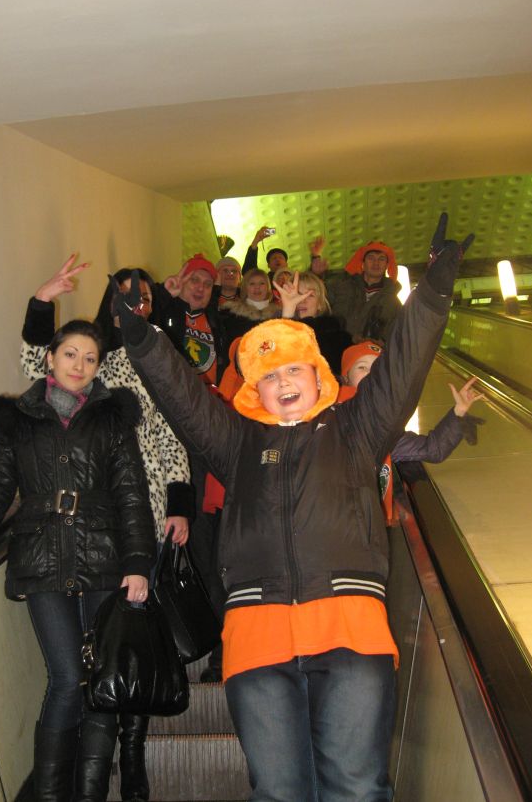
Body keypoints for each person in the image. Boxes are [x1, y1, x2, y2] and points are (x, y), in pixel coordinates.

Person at [113, 214, 472, 801]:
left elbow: (403, 367)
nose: (283, 383)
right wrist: (140, 334)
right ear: (253, 388)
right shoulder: (237, 441)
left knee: (356, 787)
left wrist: (432, 290)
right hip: (257, 637)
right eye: (269, 375)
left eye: (293, 370)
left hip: (350, 628)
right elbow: (183, 397)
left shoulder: (357, 427)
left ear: (318, 374)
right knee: (279, 792)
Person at [0, 319, 156, 802]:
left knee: (98, 680)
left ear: (98, 368)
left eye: (90, 358)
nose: (79, 365)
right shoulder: (19, 419)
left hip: (102, 556)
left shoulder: (111, 419)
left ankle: (91, 793)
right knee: (67, 678)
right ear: (50, 358)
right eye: (70, 354)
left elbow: (132, 495)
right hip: (41, 558)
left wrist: (138, 562)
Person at [20, 259, 195, 802]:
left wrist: (180, 503)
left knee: (132, 642)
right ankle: (93, 772)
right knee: (91, 657)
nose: (131, 306)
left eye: (140, 298)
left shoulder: (161, 359)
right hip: (97, 523)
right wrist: (41, 303)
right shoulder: (95, 359)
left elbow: (172, 436)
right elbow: (35, 363)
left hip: (147, 518)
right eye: (121, 297)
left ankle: (133, 753)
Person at [338, 341, 484, 522]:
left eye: (378, 369)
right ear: (345, 377)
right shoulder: (329, 414)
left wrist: (458, 411)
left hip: (361, 520)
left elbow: (433, 449)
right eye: (362, 367)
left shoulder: (384, 425)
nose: (371, 374)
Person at [156, 253, 228, 385]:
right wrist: (163, 293)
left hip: (208, 395)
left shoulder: (217, 323)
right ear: (182, 282)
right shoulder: (162, 311)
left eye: (208, 284)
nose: (201, 288)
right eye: (194, 280)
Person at [323, 240, 403, 343]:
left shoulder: (393, 304)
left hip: (371, 352)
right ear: (363, 263)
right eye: (371, 258)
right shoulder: (340, 287)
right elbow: (318, 303)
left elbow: (399, 336)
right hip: (336, 348)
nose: (376, 263)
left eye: (381, 259)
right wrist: (317, 274)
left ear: (387, 265)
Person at [274, 271, 352, 376]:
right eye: (298, 295)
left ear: (320, 304)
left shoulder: (337, 339)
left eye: (310, 295)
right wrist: (288, 313)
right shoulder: (271, 332)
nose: (302, 300)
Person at [219, 268, 279, 344]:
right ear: (245, 288)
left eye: (262, 283)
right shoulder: (230, 314)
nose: (257, 287)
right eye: (252, 284)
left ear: (268, 288)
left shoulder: (279, 315)